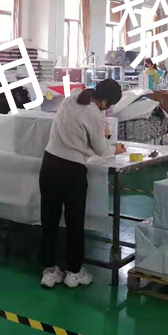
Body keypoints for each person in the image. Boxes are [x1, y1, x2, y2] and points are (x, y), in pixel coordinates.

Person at [40, 79, 126, 289]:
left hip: (49, 165)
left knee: (49, 219)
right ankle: (74, 272)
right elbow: (102, 150)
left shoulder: (73, 96)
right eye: (109, 105)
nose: (108, 108)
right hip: (72, 171)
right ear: (104, 101)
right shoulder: (95, 114)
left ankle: (49, 272)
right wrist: (116, 148)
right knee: (74, 222)